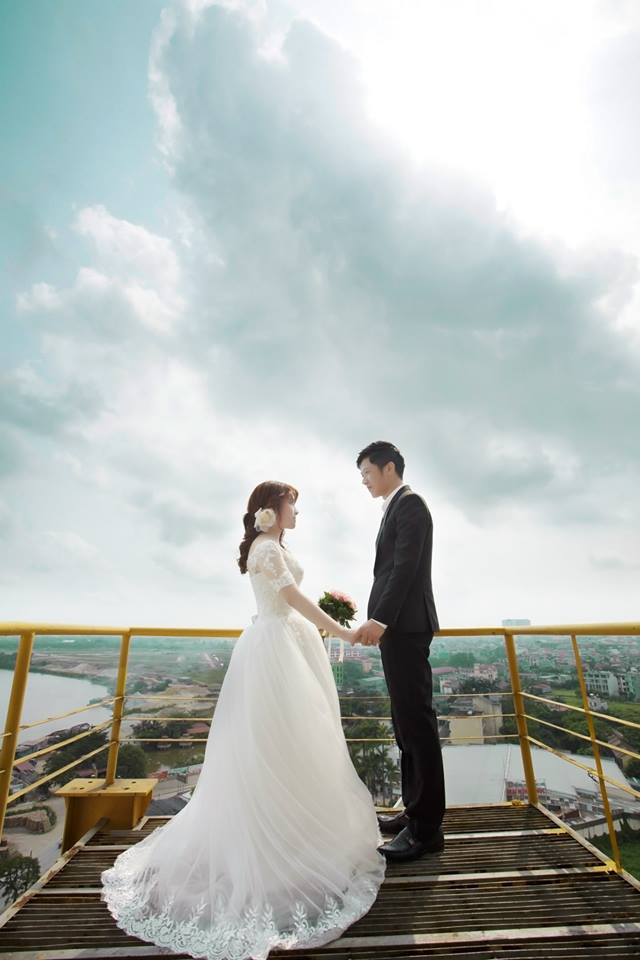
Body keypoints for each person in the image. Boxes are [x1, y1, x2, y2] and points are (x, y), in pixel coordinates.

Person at [100, 480, 386, 960]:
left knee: (296, 742)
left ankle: (297, 834)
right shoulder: (266, 548)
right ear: (271, 509)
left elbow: (292, 597)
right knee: (280, 740)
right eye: (292, 505)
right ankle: (276, 847)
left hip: (287, 644)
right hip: (277, 649)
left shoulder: (274, 547)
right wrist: (342, 630)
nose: (296, 512)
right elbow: (291, 598)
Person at [353, 441, 445, 863]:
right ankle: (414, 811)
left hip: (405, 627)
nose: (364, 481)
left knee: (417, 725)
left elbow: (404, 569)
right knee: (404, 725)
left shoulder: (411, 505)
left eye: (367, 472)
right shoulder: (394, 507)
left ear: (388, 467)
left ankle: (427, 829)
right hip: (398, 629)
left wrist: (380, 620)